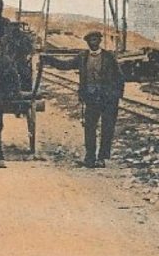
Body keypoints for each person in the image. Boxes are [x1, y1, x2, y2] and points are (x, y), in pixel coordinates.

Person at [41, 31, 125, 168]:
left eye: (96, 39)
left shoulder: (109, 57)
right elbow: (65, 65)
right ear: (87, 42)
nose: (94, 42)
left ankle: (102, 158)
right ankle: (90, 157)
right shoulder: (82, 57)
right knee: (90, 128)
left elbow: (120, 77)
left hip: (108, 99)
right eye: (91, 40)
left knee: (107, 129)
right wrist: (49, 59)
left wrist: (116, 95)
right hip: (91, 98)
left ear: (99, 41)